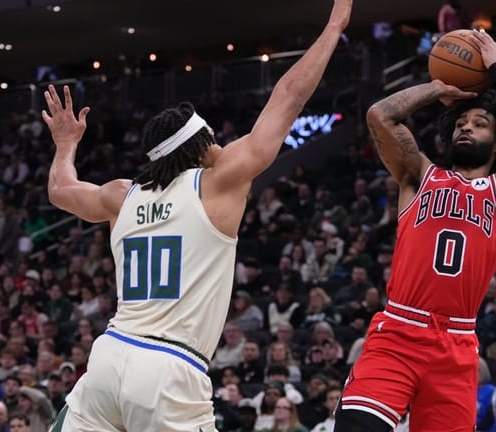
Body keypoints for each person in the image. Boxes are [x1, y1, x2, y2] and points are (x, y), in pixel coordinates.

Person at [42, 1, 353, 430]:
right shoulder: (217, 183)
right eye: (214, 138)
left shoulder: (121, 195)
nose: (222, 145)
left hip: (108, 358)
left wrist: (65, 145)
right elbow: (289, 95)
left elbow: (60, 190)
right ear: (202, 148)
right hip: (169, 368)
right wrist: (335, 26)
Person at [334, 29, 496, 431]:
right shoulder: (419, 176)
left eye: (479, 124)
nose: (466, 128)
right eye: (460, 122)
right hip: (398, 331)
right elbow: (379, 115)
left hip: (456, 345)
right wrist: (438, 88)